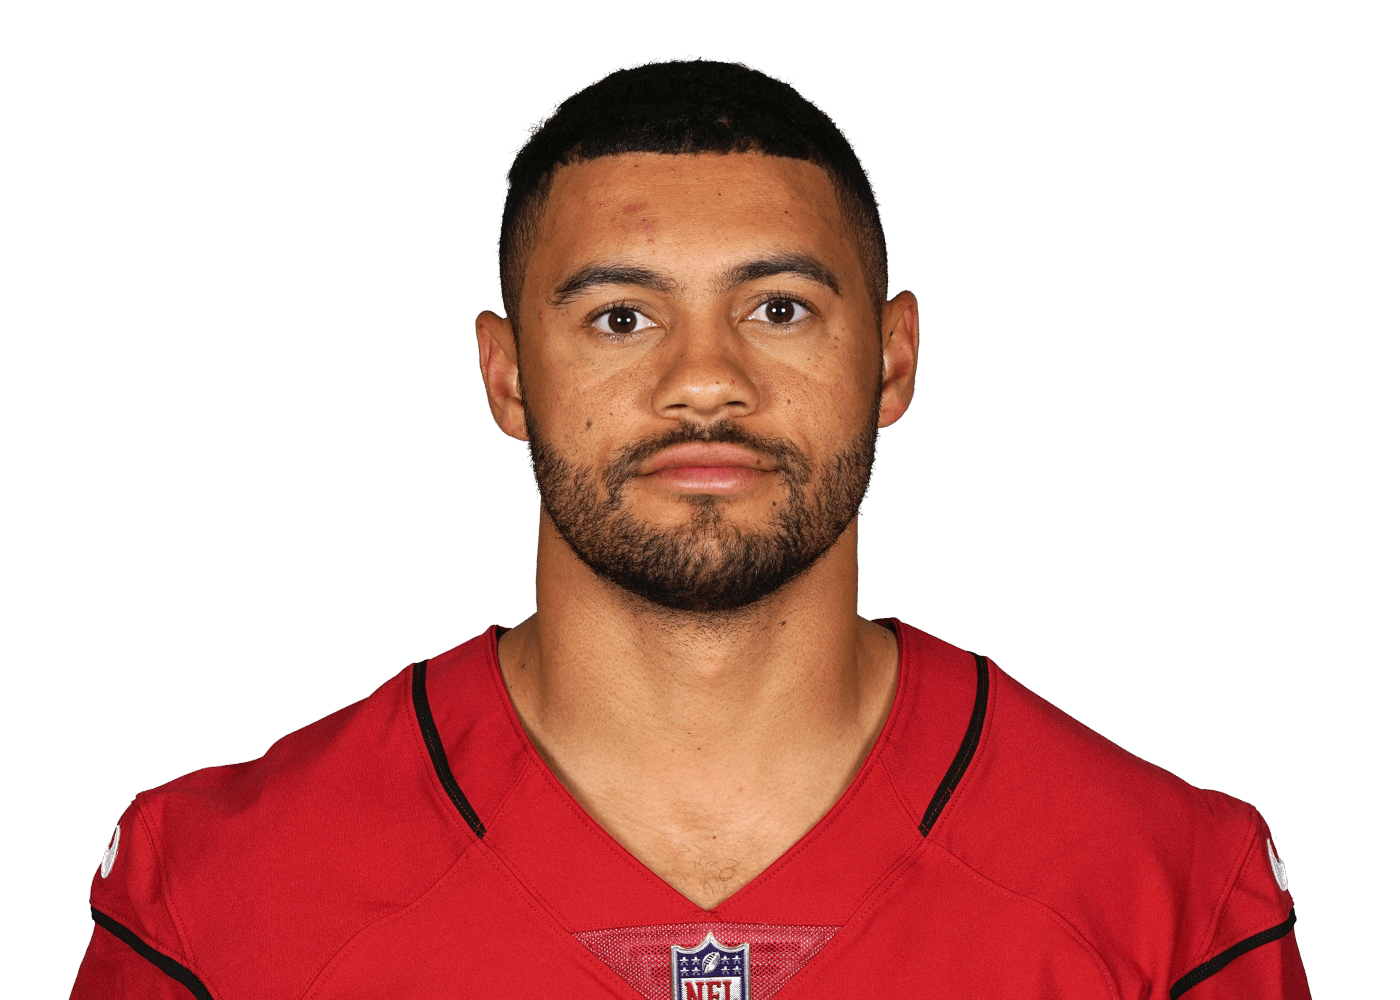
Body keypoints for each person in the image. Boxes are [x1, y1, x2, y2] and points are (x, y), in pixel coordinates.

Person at [71, 59, 1309, 999]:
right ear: (507, 377)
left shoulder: (1168, 894)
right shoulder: (217, 897)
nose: (705, 381)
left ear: (891, 359)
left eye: (778, 308)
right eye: (620, 318)